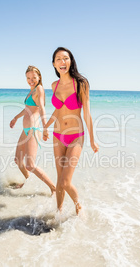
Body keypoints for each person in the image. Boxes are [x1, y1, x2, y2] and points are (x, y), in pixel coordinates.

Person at [43, 47, 99, 215]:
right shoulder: (54, 85)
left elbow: (87, 113)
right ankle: (58, 214)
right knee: (59, 180)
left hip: (76, 136)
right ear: (54, 64)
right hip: (57, 135)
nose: (62, 62)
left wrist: (92, 140)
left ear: (71, 61)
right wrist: (46, 126)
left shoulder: (81, 83)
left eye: (66, 58)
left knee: (66, 182)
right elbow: (58, 110)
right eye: (58, 59)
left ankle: (78, 204)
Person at [10, 65, 56, 194]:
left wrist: (46, 128)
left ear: (39, 77)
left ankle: (54, 188)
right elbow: (27, 108)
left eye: (34, 77)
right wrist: (16, 118)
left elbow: (41, 108)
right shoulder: (31, 90)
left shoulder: (39, 89)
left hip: (33, 129)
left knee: (30, 164)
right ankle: (28, 180)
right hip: (25, 130)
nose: (31, 80)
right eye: (28, 78)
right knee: (18, 160)